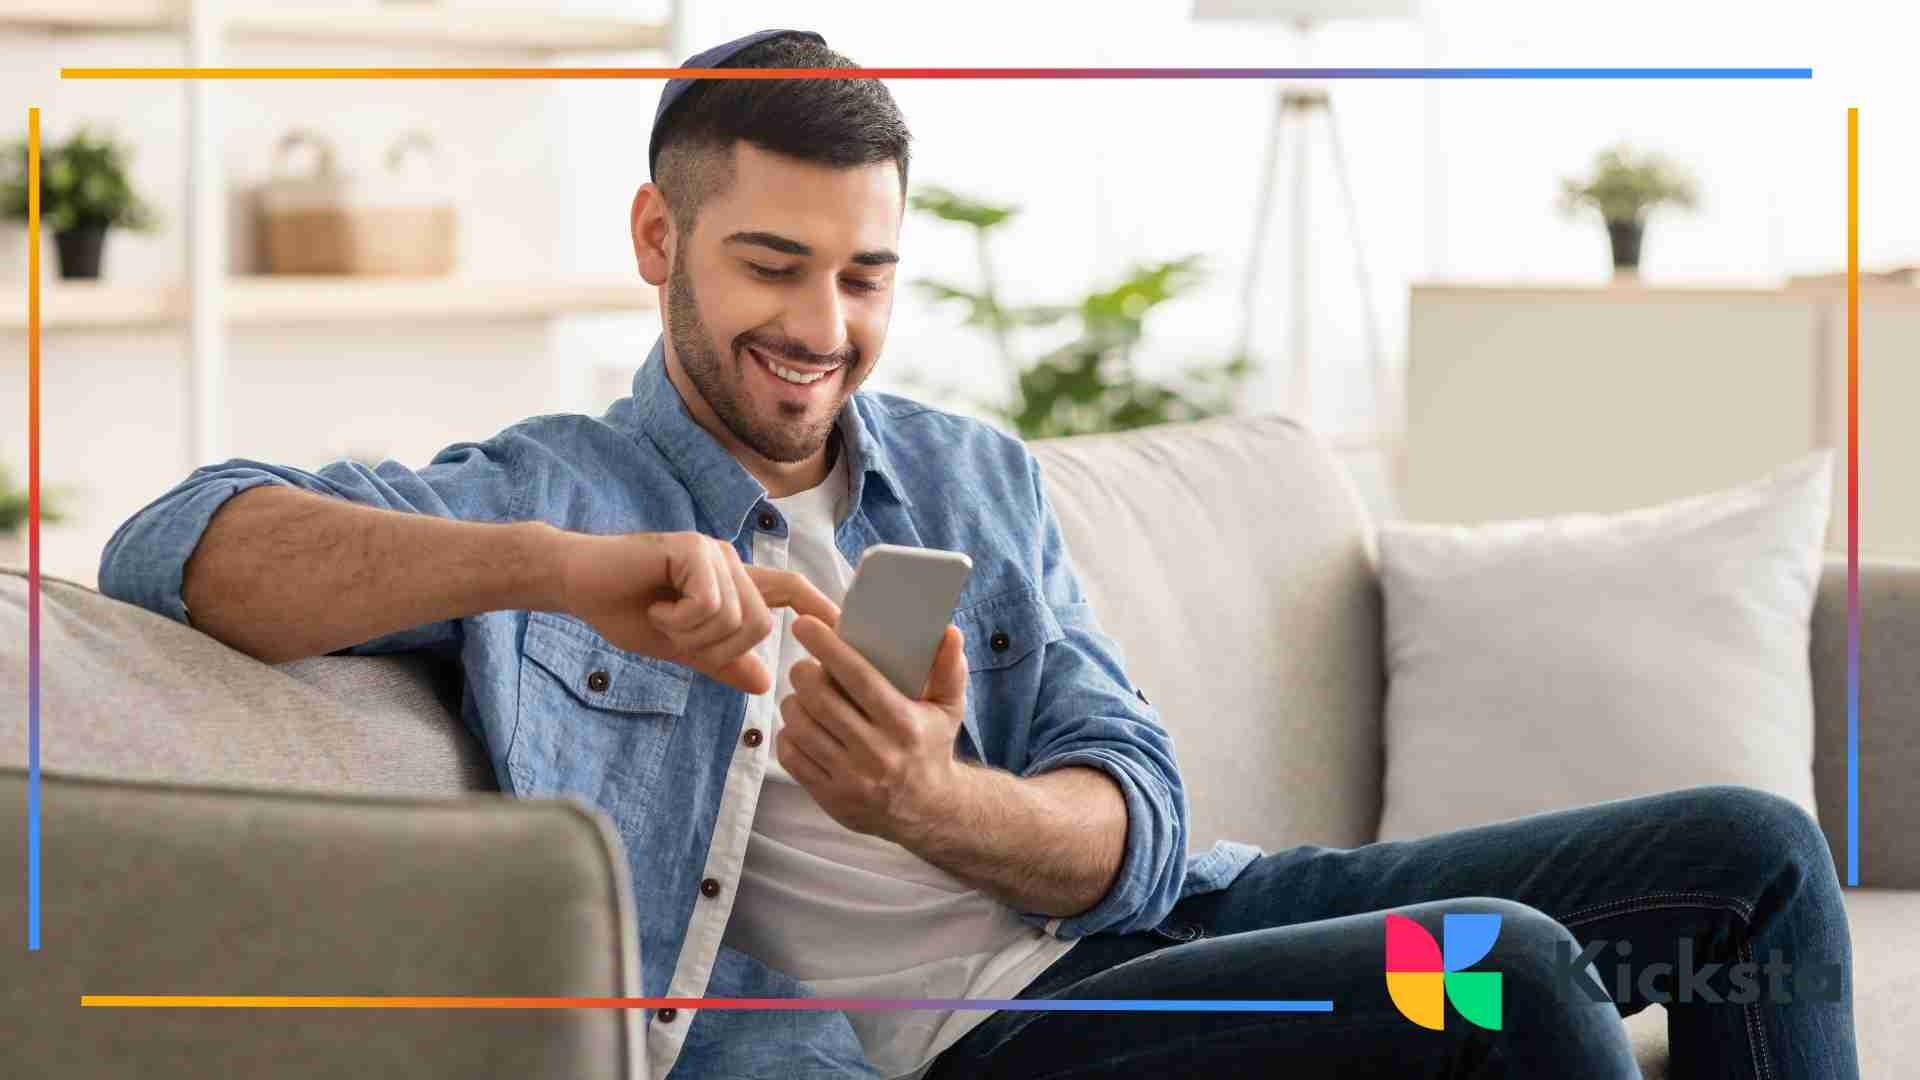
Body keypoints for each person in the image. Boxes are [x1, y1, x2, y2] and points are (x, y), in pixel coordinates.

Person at [97, 28, 1859, 1080]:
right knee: (1497, 977)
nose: (824, 327)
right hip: (985, 1041)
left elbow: (1134, 813)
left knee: (1756, 862)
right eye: (772, 265)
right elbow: (178, 544)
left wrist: (931, 801)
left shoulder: (966, 479)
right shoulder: (547, 492)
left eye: (863, 276)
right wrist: (555, 574)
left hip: (1174, 928)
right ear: (656, 237)